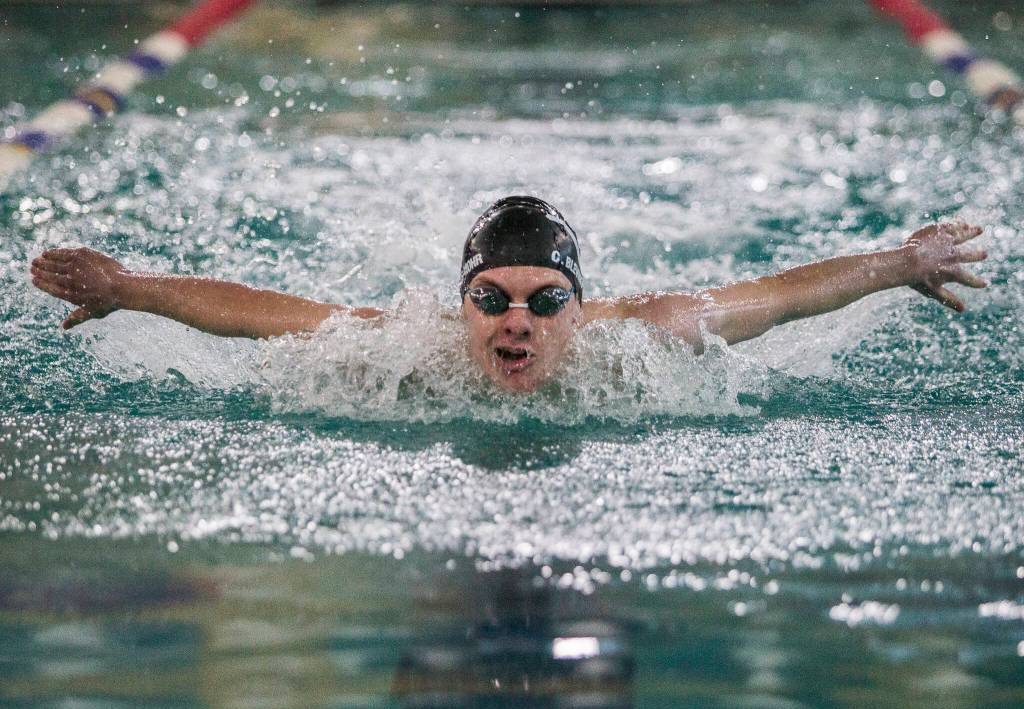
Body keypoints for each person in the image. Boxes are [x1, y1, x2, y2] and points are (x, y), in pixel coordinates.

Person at [30, 195, 987, 394]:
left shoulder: (647, 336)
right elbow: (264, 314)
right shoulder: (411, 345)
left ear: (581, 306)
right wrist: (130, 289)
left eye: (543, 300)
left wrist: (902, 264)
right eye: (490, 299)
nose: (517, 319)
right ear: (461, 307)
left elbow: (779, 296)